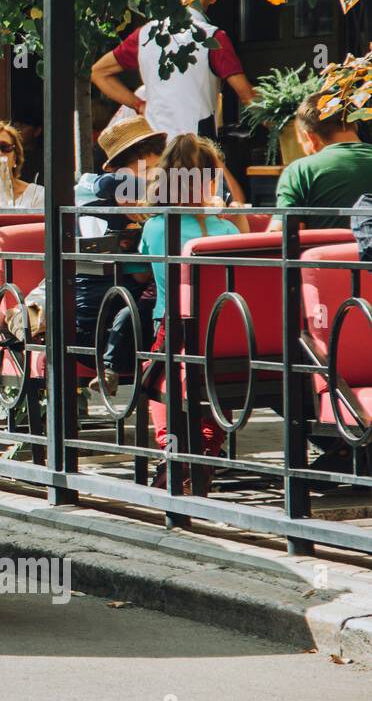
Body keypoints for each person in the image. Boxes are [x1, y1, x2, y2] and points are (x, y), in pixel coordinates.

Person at [137, 134, 250, 491]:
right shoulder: (225, 229)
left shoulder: (155, 227)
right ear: (211, 179)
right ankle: (204, 453)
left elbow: (143, 268)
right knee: (216, 385)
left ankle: (171, 456)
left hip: (173, 327)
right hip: (224, 333)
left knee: (159, 382)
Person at [91, 0, 256, 143]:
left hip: (156, 145)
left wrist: (139, 105)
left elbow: (99, 72)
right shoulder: (213, 37)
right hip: (196, 147)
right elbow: (246, 95)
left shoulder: (145, 34)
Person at [75, 116, 163, 389]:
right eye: (150, 168)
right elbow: (140, 278)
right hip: (106, 324)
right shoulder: (118, 193)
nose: (156, 177)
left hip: (79, 316)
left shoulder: (88, 189)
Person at [268, 93, 372, 232]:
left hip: (330, 252)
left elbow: (282, 234)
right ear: (355, 126)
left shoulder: (300, 171)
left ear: (310, 138)